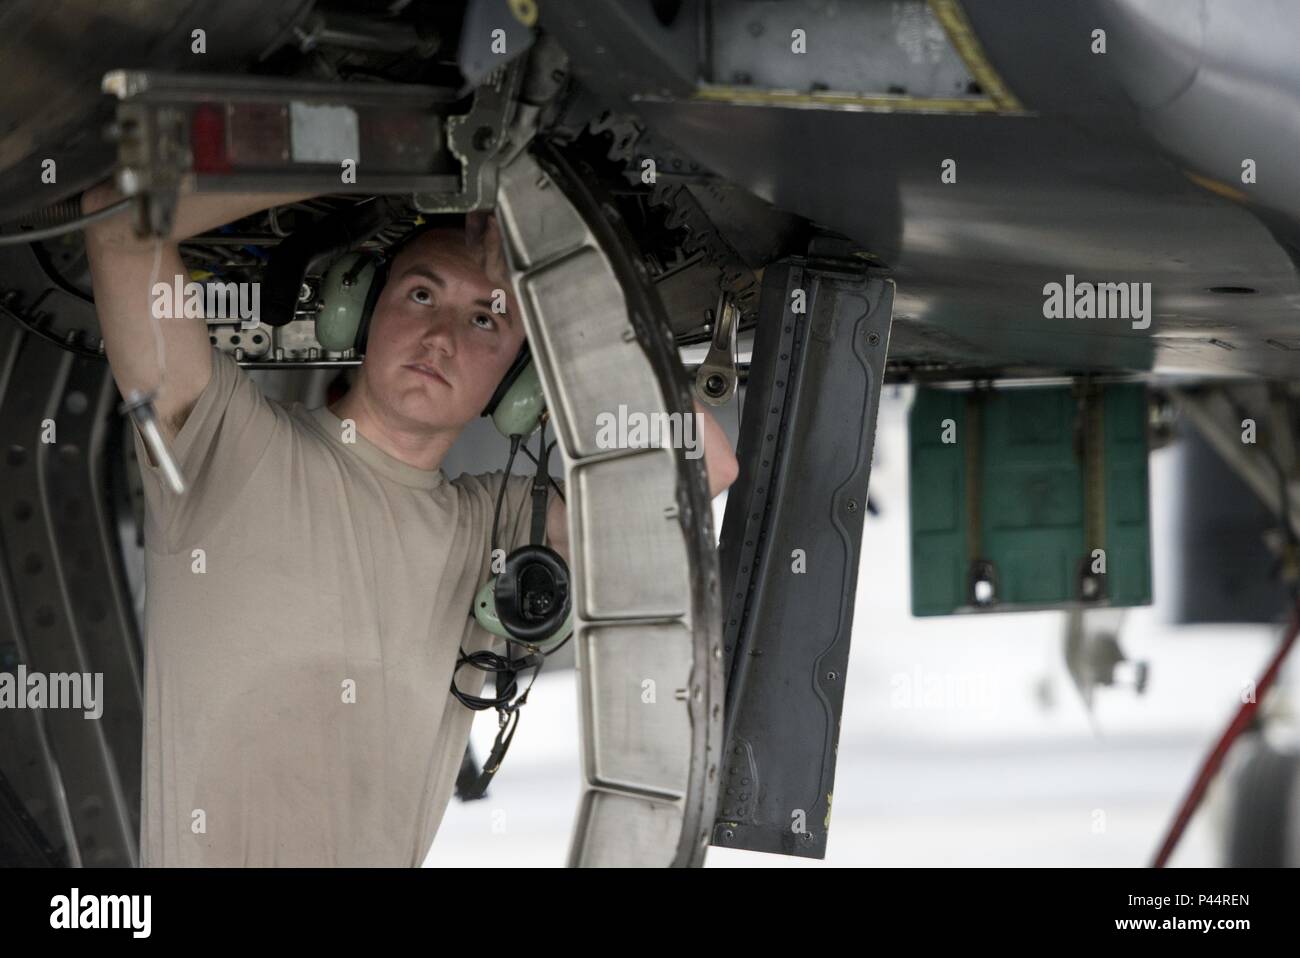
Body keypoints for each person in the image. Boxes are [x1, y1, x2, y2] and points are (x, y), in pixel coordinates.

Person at [80, 184, 740, 866]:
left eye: (486, 320)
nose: (441, 338)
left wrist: (567, 296)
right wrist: (358, 160)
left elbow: (707, 467)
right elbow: (120, 230)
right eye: (421, 295)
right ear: (360, 312)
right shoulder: (229, 444)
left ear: (522, 380)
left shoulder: (496, 528)